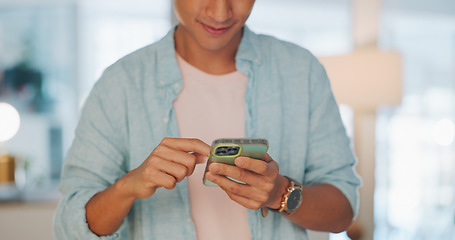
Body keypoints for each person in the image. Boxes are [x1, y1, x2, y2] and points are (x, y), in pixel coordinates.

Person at [53, 0, 361, 239]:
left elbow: (343, 211)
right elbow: (70, 226)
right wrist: (128, 187)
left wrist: (279, 192)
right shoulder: (120, 83)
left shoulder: (301, 71)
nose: (220, 12)